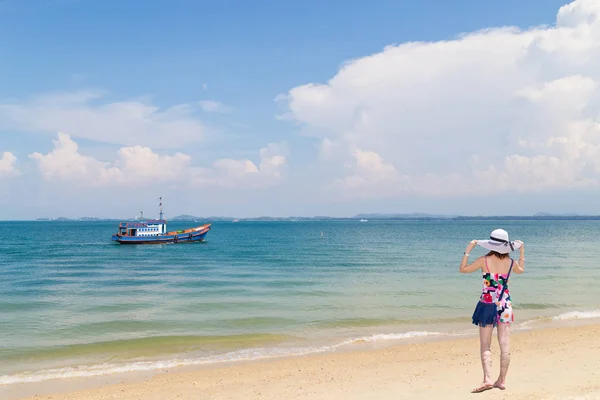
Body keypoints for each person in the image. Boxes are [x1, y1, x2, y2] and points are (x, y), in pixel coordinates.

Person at [458, 228, 525, 393]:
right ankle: (501, 380)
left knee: (485, 344)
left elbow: (463, 269)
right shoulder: (511, 263)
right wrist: (522, 252)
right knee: (505, 345)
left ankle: (487, 379)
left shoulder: (484, 260)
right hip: (505, 305)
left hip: (487, 304)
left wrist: (468, 251)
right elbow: (521, 270)